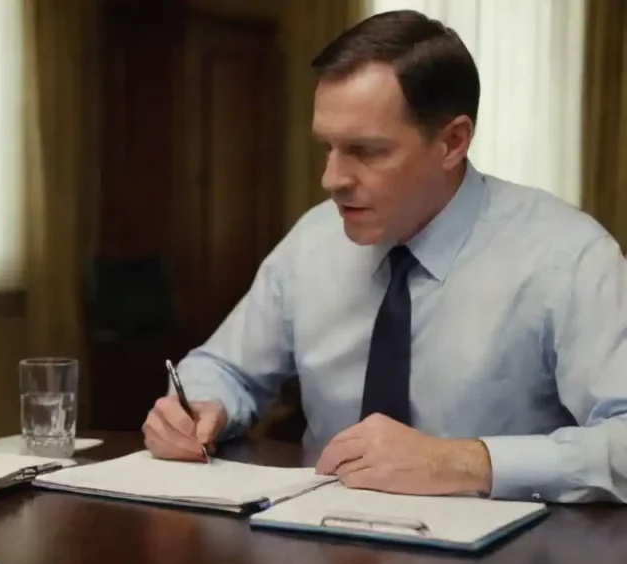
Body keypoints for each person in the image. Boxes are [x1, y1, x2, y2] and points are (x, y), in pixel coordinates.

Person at [142, 10, 627, 503]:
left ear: (452, 142)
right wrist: (200, 405)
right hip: (319, 545)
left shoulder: (568, 258)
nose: (332, 179)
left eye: (366, 151)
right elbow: (226, 368)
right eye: (327, 148)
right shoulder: (315, 240)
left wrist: (465, 460)